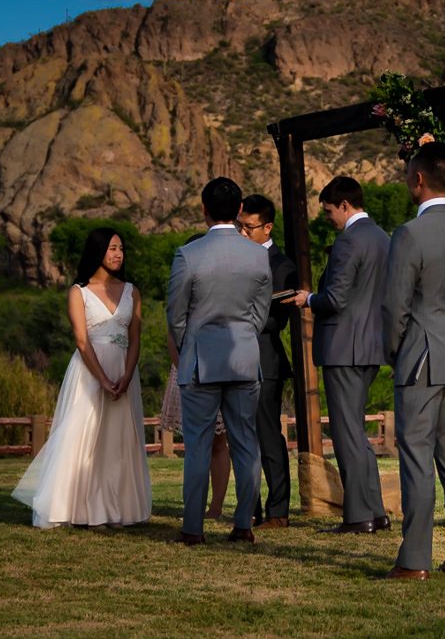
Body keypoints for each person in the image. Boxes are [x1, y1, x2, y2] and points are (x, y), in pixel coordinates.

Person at [379, 143, 445, 580]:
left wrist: (394, 351)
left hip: (420, 356)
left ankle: (415, 559)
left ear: (418, 179)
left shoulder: (408, 234)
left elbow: (394, 307)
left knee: (417, 458)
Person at [13, 228, 152, 529]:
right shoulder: (79, 292)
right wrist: (102, 380)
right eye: (112, 248)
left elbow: (136, 338)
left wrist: (126, 375)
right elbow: (82, 340)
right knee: (84, 438)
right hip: (90, 373)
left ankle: (118, 510)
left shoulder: (132, 291)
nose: (118, 254)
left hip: (124, 370)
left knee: (118, 442)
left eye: (121, 248)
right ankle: (81, 510)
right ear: (98, 251)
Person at [166, 177, 272, 544]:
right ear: (240, 210)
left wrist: (191, 344)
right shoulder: (258, 254)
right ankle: (243, 524)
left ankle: (193, 528)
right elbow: (260, 312)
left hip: (200, 362)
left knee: (197, 445)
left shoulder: (188, 254)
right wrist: (243, 337)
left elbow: (175, 315)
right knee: (246, 442)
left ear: (204, 210)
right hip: (244, 358)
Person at [290, 176, 390, 535]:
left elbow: (336, 298)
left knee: (348, 435)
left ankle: (360, 515)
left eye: (330, 211)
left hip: (343, 348)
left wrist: (308, 300)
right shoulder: (383, 238)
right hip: (371, 346)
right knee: (356, 434)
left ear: (345, 205)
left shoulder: (349, 242)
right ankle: (374, 511)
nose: (329, 218)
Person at [239, 193, 300, 528]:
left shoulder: (282, 266)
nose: (244, 234)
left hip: (265, 358)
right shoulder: (238, 258)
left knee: (267, 435)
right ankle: (250, 507)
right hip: (237, 360)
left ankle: (278, 510)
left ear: (267, 227)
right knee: (241, 435)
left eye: (249, 228)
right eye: (240, 227)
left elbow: (277, 319)